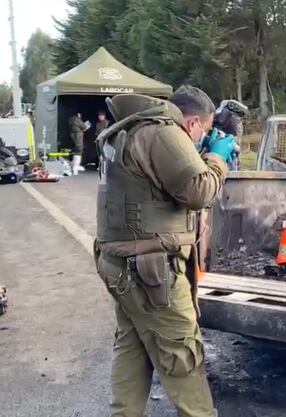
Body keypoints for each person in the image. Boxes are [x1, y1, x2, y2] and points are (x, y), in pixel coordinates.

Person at [94, 86, 236, 417]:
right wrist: (216, 157)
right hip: (152, 272)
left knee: (133, 350)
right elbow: (199, 192)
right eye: (205, 127)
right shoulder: (163, 133)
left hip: (121, 263)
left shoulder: (131, 129)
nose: (205, 135)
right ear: (192, 123)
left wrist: (202, 154)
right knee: (182, 356)